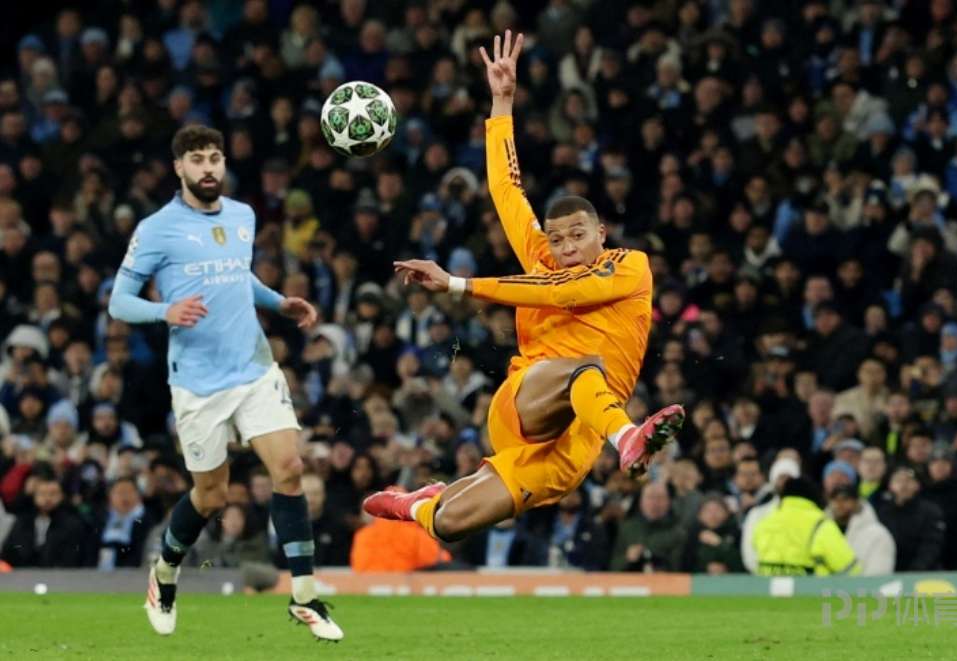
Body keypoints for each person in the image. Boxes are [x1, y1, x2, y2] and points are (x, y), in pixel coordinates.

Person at [363, 32, 684, 544]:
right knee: (584, 367)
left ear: (601, 233)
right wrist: (502, 102)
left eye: (578, 235)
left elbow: (562, 292)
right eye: (557, 239)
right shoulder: (543, 259)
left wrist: (460, 284)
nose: (566, 246)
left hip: (572, 445)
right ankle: (629, 437)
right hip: (525, 402)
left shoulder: (630, 266)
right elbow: (506, 189)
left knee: (449, 524)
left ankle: (418, 501)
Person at [107, 125, 341, 641]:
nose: (208, 167)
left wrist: (277, 301)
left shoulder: (242, 215)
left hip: (254, 367)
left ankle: (304, 597)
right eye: (197, 159)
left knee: (290, 468)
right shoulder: (156, 228)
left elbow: (236, 274)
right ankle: (164, 573)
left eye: (214, 157)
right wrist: (165, 310)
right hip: (198, 382)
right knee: (211, 496)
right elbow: (118, 302)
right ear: (179, 168)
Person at [753, 477, 860, 576]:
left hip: (767, 589)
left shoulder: (764, 523)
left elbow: (754, 558)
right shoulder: (821, 525)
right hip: (811, 589)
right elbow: (850, 569)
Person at [826, 484, 896, 576]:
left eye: (845, 499)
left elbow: (879, 575)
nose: (839, 504)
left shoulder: (878, 534)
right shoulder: (823, 533)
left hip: (864, 585)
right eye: (835, 500)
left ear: (857, 503)